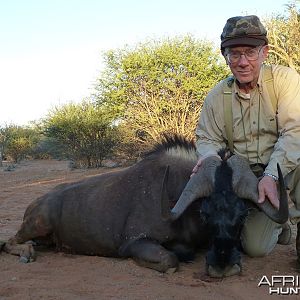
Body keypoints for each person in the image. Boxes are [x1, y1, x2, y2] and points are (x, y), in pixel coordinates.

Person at [193, 15, 300, 257]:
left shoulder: (286, 81)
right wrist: (210, 159)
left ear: (265, 52)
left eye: (250, 52)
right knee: (255, 248)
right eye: (234, 53)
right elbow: (207, 140)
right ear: (225, 57)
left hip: (287, 169)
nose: (243, 62)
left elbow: (295, 133)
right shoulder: (216, 96)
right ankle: (277, 223)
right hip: (248, 180)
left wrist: (272, 176)